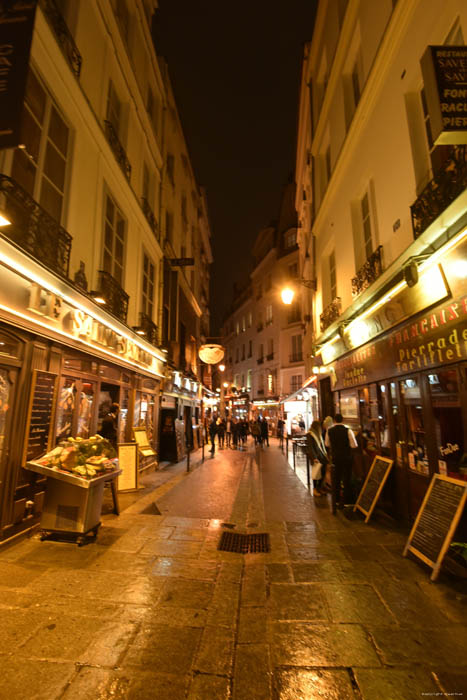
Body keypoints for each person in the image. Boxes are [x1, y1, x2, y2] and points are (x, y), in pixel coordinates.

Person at [325, 413, 358, 509]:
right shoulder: (348, 430)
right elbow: (354, 445)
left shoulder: (329, 431)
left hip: (335, 458)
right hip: (347, 458)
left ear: (334, 420)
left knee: (336, 479)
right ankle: (346, 501)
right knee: (346, 479)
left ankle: (336, 501)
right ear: (342, 420)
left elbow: (327, 444)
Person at [306, 420, 329, 496]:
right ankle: (315, 489)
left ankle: (320, 488)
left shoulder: (318, 434)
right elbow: (310, 447)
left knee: (322, 473)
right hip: (316, 457)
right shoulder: (310, 434)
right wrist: (314, 458)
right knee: (316, 474)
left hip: (322, 456)